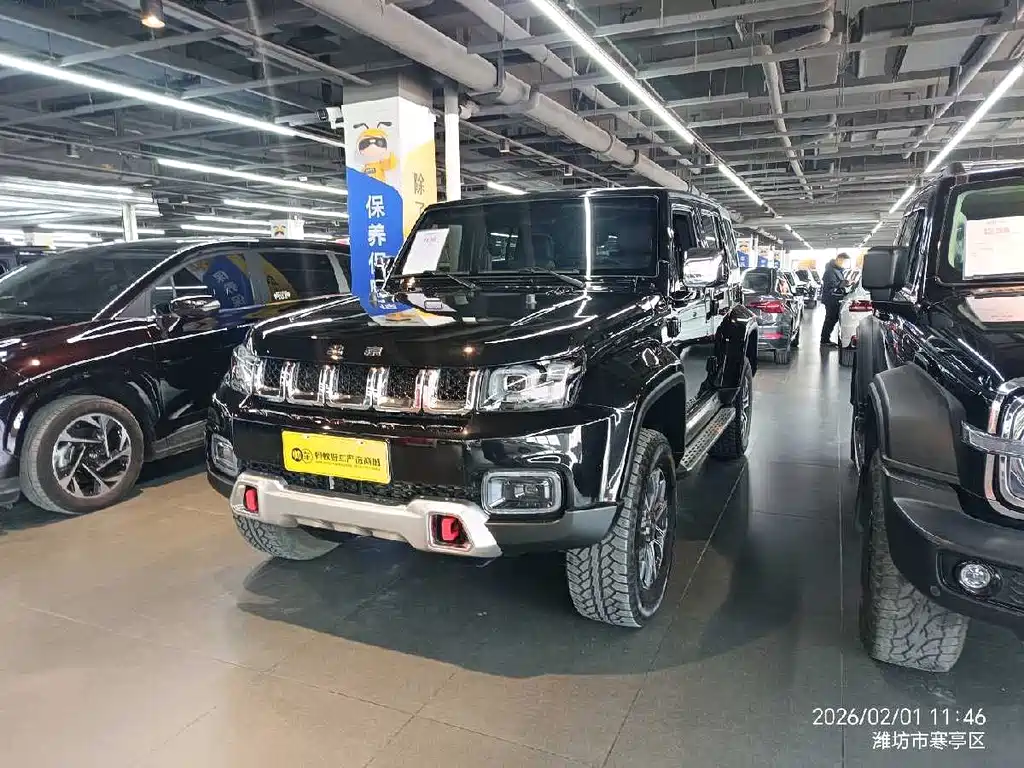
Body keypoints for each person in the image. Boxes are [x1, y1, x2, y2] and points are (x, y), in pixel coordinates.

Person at [819, 253, 850, 347]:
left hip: (835, 298)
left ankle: (825, 339)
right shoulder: (830, 271)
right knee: (830, 319)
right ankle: (825, 340)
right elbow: (831, 285)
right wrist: (842, 284)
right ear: (839, 259)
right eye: (844, 261)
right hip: (832, 299)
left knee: (832, 319)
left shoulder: (837, 270)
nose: (844, 263)